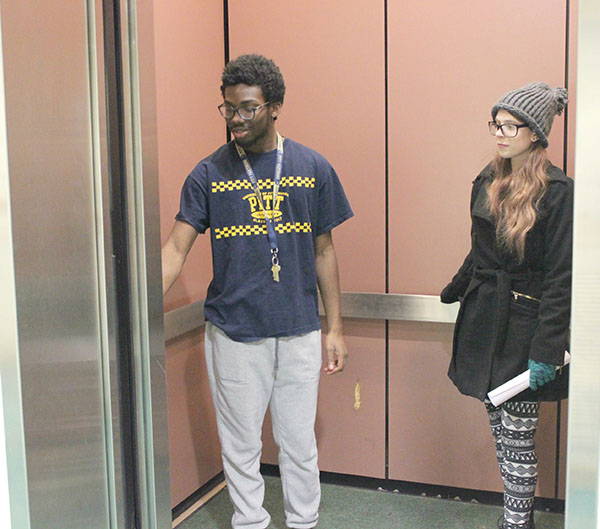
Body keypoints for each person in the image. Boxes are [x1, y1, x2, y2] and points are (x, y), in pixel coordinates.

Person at [161, 54, 353, 529]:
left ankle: (303, 521)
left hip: (298, 328)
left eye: (247, 108)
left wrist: (335, 327)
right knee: (241, 445)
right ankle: (250, 523)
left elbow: (324, 251)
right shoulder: (208, 173)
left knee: (298, 441)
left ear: (275, 106)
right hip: (234, 331)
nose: (236, 120)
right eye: (228, 109)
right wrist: (137, 303)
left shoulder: (312, 167)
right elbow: (175, 249)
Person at [440, 82, 572, 529]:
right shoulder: (487, 179)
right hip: (484, 318)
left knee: (518, 438)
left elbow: (561, 276)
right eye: (495, 123)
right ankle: (517, 520)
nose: (499, 132)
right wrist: (457, 286)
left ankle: (516, 524)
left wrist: (547, 350)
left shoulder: (558, 191)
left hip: (525, 327)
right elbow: (480, 249)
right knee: (500, 431)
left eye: (509, 125)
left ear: (534, 132)